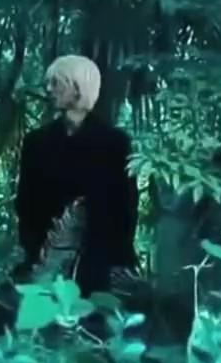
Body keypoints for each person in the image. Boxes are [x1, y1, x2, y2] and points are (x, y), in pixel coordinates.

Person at [13, 55, 140, 308]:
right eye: (48, 83)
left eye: (56, 83)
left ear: (78, 87)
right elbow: (26, 203)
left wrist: (114, 260)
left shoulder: (115, 143)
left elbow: (126, 208)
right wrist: (36, 251)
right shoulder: (36, 142)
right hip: (47, 257)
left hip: (100, 261)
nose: (49, 90)